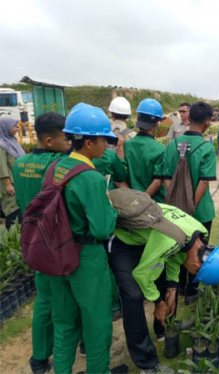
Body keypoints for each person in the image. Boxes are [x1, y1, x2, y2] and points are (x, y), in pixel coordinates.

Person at [107, 188, 219, 374]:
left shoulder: (199, 233)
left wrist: (172, 289)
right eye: (195, 274)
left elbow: (176, 254)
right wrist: (157, 302)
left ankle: (165, 329)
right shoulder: (170, 242)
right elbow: (142, 274)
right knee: (133, 295)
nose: (192, 274)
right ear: (197, 266)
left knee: (164, 282)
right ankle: (147, 364)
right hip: (122, 241)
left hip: (148, 238)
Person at [49, 104, 124, 373]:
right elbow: (103, 229)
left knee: (65, 324)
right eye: (104, 140)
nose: (106, 145)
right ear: (89, 141)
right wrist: (110, 208)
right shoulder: (90, 177)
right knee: (96, 325)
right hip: (86, 259)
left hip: (56, 254)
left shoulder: (57, 167)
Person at [12, 112, 71, 374]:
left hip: (32, 242)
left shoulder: (20, 163)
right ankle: (69, 352)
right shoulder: (59, 164)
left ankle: (38, 358)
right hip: (56, 243)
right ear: (49, 140)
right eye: (66, 138)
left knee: (43, 299)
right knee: (64, 305)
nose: (70, 143)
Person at [164, 102, 217, 307]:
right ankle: (192, 291)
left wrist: (177, 205)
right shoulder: (205, 147)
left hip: (175, 211)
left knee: (178, 250)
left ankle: (175, 288)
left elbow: (166, 177)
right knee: (199, 251)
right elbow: (203, 182)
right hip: (200, 211)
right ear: (207, 121)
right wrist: (190, 208)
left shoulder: (172, 145)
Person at [124, 98, 167, 202]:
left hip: (130, 201)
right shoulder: (160, 149)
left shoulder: (126, 145)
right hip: (154, 203)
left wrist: (134, 202)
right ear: (157, 124)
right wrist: (141, 201)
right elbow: (157, 181)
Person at [0, 117, 24, 228]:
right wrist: (8, 185)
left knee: (20, 209)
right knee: (12, 209)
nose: (16, 128)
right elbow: (2, 166)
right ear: (5, 127)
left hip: (19, 181)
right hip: (10, 184)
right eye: (14, 126)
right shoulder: (2, 144)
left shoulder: (12, 141)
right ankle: (12, 236)